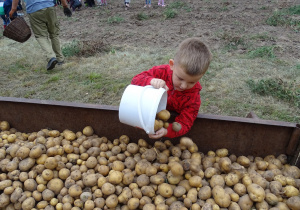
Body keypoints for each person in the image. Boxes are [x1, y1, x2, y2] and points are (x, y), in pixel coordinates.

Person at [131, 37, 212, 139]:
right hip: (146, 113)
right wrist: (151, 81)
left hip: (164, 123)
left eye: (192, 82)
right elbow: (135, 81)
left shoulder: (193, 98)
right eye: (180, 78)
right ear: (172, 65)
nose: (183, 86)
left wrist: (167, 131)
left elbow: (185, 122)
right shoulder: (160, 72)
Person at [9, 0, 72, 70]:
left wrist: (13, 10)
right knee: (54, 34)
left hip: (34, 11)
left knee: (41, 36)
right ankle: (60, 59)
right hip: (49, 7)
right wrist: (65, 6)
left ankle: (51, 57)